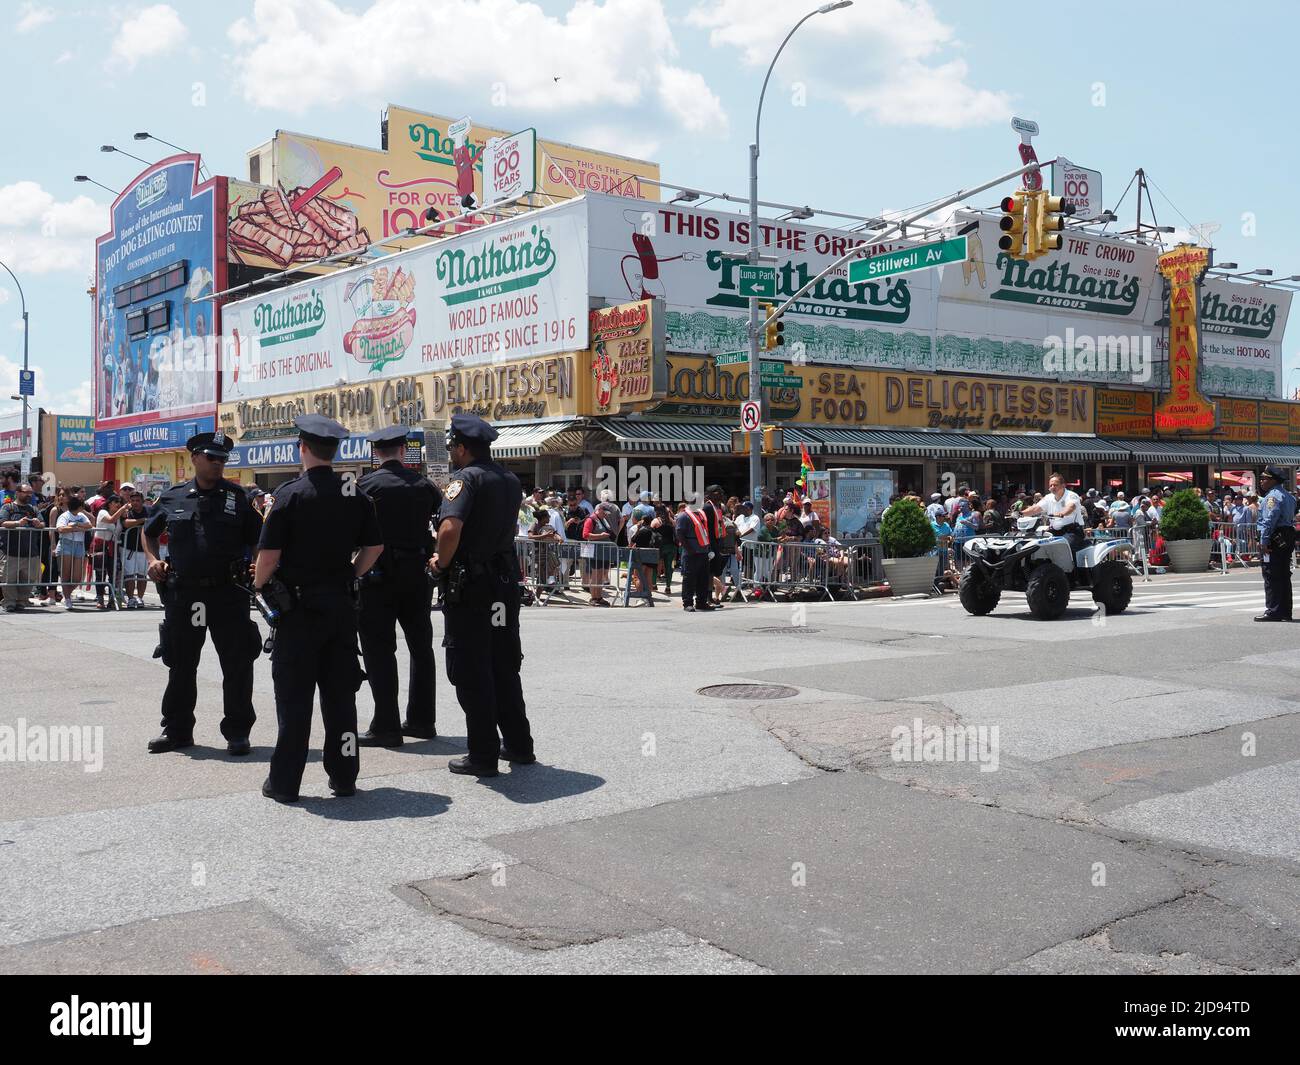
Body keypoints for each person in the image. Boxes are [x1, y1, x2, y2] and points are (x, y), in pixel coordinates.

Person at [254, 415, 383, 800]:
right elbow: (374, 548)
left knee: (295, 700)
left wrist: (260, 585)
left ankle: (285, 782)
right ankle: (344, 776)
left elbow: (268, 555)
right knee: (341, 696)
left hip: (299, 611)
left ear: (303, 447)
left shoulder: (291, 494)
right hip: (341, 608)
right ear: (335, 450)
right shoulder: (355, 493)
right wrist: (351, 575)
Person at [141, 433, 263, 755]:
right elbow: (148, 531)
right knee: (181, 664)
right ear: (194, 458)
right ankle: (178, 731)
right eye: (212, 457)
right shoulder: (172, 497)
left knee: (237, 665)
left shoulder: (239, 497)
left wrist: (257, 566)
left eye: (222, 458)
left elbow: (257, 538)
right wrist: (153, 560)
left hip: (228, 594)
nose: (218, 463)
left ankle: (238, 732)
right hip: (185, 595)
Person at [431, 412, 535, 776]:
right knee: (504, 664)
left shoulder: (464, 480)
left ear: (461, 448)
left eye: (452, 449)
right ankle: (519, 745)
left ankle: (482, 754)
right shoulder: (509, 479)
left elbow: (449, 530)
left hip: (472, 587)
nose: (451, 455)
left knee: (471, 669)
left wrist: (440, 564)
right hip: (503, 584)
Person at [356, 424, 443, 748]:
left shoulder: (365, 484)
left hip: (378, 576)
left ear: (377, 452)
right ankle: (422, 721)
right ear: (403, 451)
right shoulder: (425, 485)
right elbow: (440, 522)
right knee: (421, 646)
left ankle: (386, 725)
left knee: (380, 649)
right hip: (417, 574)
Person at [1255, 465, 1296, 622]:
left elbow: (1269, 520)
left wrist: (1264, 540)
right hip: (1287, 535)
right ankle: (1285, 611)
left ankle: (1273, 610)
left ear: (1273, 481)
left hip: (1275, 536)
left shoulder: (1272, 497)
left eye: (1264, 478)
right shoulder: (1288, 496)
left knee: (1271, 574)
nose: (1261, 481)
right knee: (1284, 574)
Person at [0, 481, 45, 612]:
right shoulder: (8, 508)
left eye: (31, 493)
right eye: (26, 493)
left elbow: (43, 523)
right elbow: (2, 522)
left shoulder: (33, 509)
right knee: (9, 579)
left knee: (29, 579)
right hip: (10, 551)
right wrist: (17, 523)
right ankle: (9, 602)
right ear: (18, 493)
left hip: (30, 551)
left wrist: (38, 523)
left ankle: (22, 601)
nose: (29, 495)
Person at [1021, 472, 1085, 554]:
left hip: (1072, 531)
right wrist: (1020, 514)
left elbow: (1070, 507)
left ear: (1063, 485)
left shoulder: (1072, 495)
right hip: (1055, 531)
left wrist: (1061, 513)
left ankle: (1072, 566)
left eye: (1055, 485)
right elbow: (1035, 509)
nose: (1052, 487)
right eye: (1050, 485)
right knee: (1038, 545)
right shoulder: (1048, 497)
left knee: (1064, 548)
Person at [674, 497, 713, 612]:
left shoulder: (701, 514)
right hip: (691, 552)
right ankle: (688, 603)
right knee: (689, 578)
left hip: (703, 551)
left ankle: (701, 602)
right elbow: (680, 533)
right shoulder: (683, 516)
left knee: (703, 578)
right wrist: (689, 549)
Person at [119, 486, 151, 608]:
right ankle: (131, 598)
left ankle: (140, 598)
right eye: (133, 501)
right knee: (130, 575)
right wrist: (142, 520)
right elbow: (126, 523)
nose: (135, 503)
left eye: (138, 500)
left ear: (142, 501)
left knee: (142, 575)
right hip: (128, 549)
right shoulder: (127, 511)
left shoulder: (149, 510)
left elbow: (154, 521)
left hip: (144, 549)